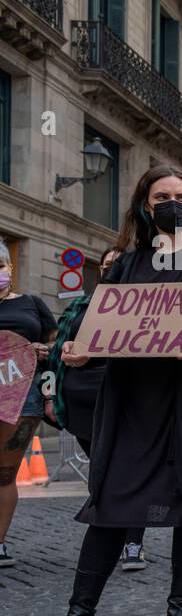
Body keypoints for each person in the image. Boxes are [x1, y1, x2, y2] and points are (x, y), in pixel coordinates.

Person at [39, 164, 182, 616]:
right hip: (133, 405)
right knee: (110, 502)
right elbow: (104, 331)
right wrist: (82, 353)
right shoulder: (125, 265)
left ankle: (180, 609)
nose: (174, 203)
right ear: (145, 205)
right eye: (163, 196)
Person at [46, 249, 150, 572]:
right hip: (81, 403)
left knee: (128, 469)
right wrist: (52, 388)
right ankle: (109, 532)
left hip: (125, 397)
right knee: (101, 471)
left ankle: (132, 542)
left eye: (117, 265)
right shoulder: (79, 306)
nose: (110, 270)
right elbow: (58, 351)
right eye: (106, 266)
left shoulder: (141, 306)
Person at [0, 242, 56, 568]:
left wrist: (49, 395)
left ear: (9, 268)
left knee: (4, 474)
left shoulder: (32, 304)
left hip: (24, 397)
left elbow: (57, 346)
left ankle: (0, 543)